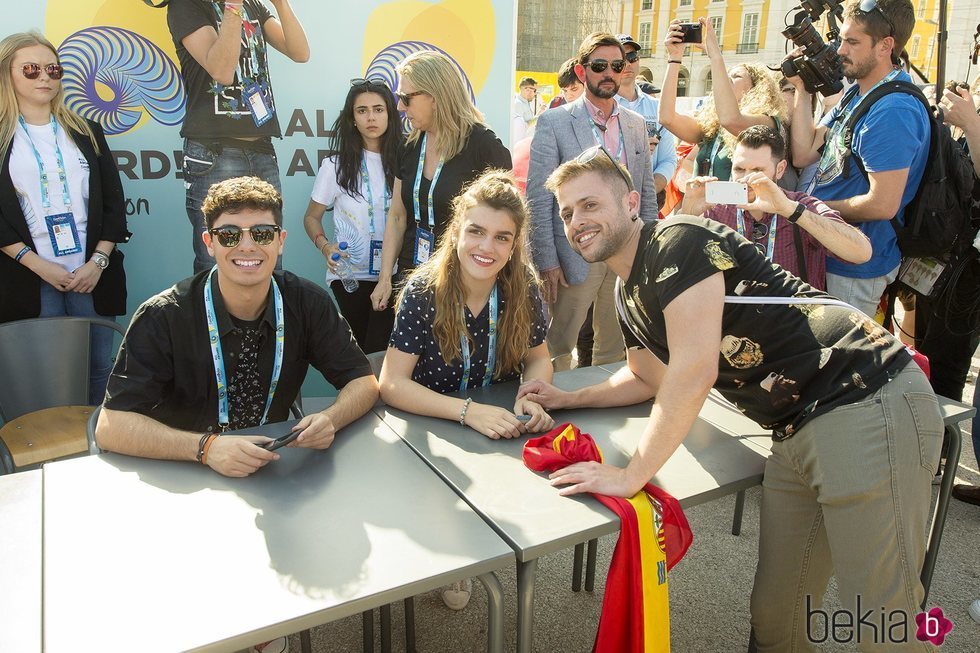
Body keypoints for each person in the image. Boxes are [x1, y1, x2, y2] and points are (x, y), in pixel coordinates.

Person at [520, 149, 943, 651]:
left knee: (881, 620)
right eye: (567, 213)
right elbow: (647, 377)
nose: (577, 221)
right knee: (777, 617)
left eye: (590, 204)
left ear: (633, 202)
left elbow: (694, 370)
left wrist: (631, 475)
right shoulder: (625, 290)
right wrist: (569, 398)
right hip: (794, 428)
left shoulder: (676, 240)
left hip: (865, 397)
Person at [96, 177, 378, 472]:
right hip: (181, 467)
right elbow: (111, 426)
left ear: (280, 241)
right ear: (209, 243)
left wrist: (331, 418)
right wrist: (205, 448)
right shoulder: (163, 316)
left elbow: (363, 382)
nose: (247, 246)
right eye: (229, 235)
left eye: (262, 234)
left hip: (270, 467)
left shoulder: (307, 303)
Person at [379, 170, 555, 609]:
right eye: (476, 231)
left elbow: (538, 357)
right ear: (456, 231)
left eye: (501, 237)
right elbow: (391, 383)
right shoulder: (423, 290)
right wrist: (466, 411)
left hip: (497, 425)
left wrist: (531, 393)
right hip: (429, 430)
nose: (486, 247)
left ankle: (479, 541)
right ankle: (453, 550)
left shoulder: (524, 286)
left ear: (514, 246)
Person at [0, 31, 130, 405]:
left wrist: (98, 261)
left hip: (92, 274)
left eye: (53, 69)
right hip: (28, 278)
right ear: (8, 75)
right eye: (31, 69)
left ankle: (96, 445)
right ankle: (51, 456)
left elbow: (113, 204)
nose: (44, 77)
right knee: (42, 378)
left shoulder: (87, 131)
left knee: (98, 369)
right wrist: (39, 265)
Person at [787, 0, 929, 317]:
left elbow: (883, 204)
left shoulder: (893, 109)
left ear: (885, 46)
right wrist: (802, 89)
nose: (840, 51)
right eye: (841, 40)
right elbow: (804, 152)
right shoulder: (859, 92)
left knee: (843, 361)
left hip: (855, 266)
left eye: (852, 42)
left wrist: (806, 211)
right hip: (830, 250)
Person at [527, 32, 657, 371]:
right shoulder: (554, 122)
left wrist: (649, 251)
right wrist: (546, 261)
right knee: (558, 343)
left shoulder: (636, 124)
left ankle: (604, 407)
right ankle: (550, 410)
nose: (609, 73)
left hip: (626, 250)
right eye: (600, 65)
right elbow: (538, 198)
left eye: (618, 65)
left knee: (615, 345)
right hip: (574, 255)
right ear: (582, 71)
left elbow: (644, 192)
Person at [167, 0, 309, 274]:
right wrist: (233, 8)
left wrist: (280, 4)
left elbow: (300, 52)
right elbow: (221, 70)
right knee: (217, 263)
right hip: (214, 152)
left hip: (262, 148)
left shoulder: (253, 6)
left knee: (269, 259)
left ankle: (272, 318)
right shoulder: (186, 5)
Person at [370, 50, 512, 312]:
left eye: (405, 98)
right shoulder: (410, 146)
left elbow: (507, 224)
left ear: (434, 96)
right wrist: (385, 278)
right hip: (412, 275)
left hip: (464, 282)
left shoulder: (484, 146)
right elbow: (398, 217)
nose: (400, 107)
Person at [679, 125, 871, 290]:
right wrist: (687, 213)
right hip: (734, 320)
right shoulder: (717, 209)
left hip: (792, 321)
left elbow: (861, 253)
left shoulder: (800, 205)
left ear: (780, 169)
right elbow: (674, 267)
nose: (745, 178)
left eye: (757, 170)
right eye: (739, 169)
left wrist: (790, 210)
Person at [303, 78, 401, 353]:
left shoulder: (406, 162)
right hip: (349, 276)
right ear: (352, 118)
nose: (371, 117)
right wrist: (325, 247)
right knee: (364, 354)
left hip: (394, 274)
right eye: (362, 110)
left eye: (379, 109)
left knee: (382, 350)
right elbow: (311, 217)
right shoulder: (334, 166)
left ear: (390, 115)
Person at [659, 18, 786, 183]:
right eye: (727, 74)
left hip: (738, 208)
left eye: (736, 76)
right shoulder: (713, 127)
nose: (727, 78)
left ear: (756, 88)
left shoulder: (767, 122)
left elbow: (731, 119)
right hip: (704, 206)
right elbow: (667, 118)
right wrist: (674, 58)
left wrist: (715, 56)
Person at [615, 33, 677, 195]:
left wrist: (650, 190)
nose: (627, 63)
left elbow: (668, 160)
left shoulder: (658, 107)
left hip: (649, 200)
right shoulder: (601, 106)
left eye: (632, 56)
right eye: (620, 59)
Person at [512, 76, 539, 146]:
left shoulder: (525, 103)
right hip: (521, 145)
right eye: (535, 90)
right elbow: (522, 126)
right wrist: (539, 117)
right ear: (527, 89)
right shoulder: (518, 104)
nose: (535, 94)